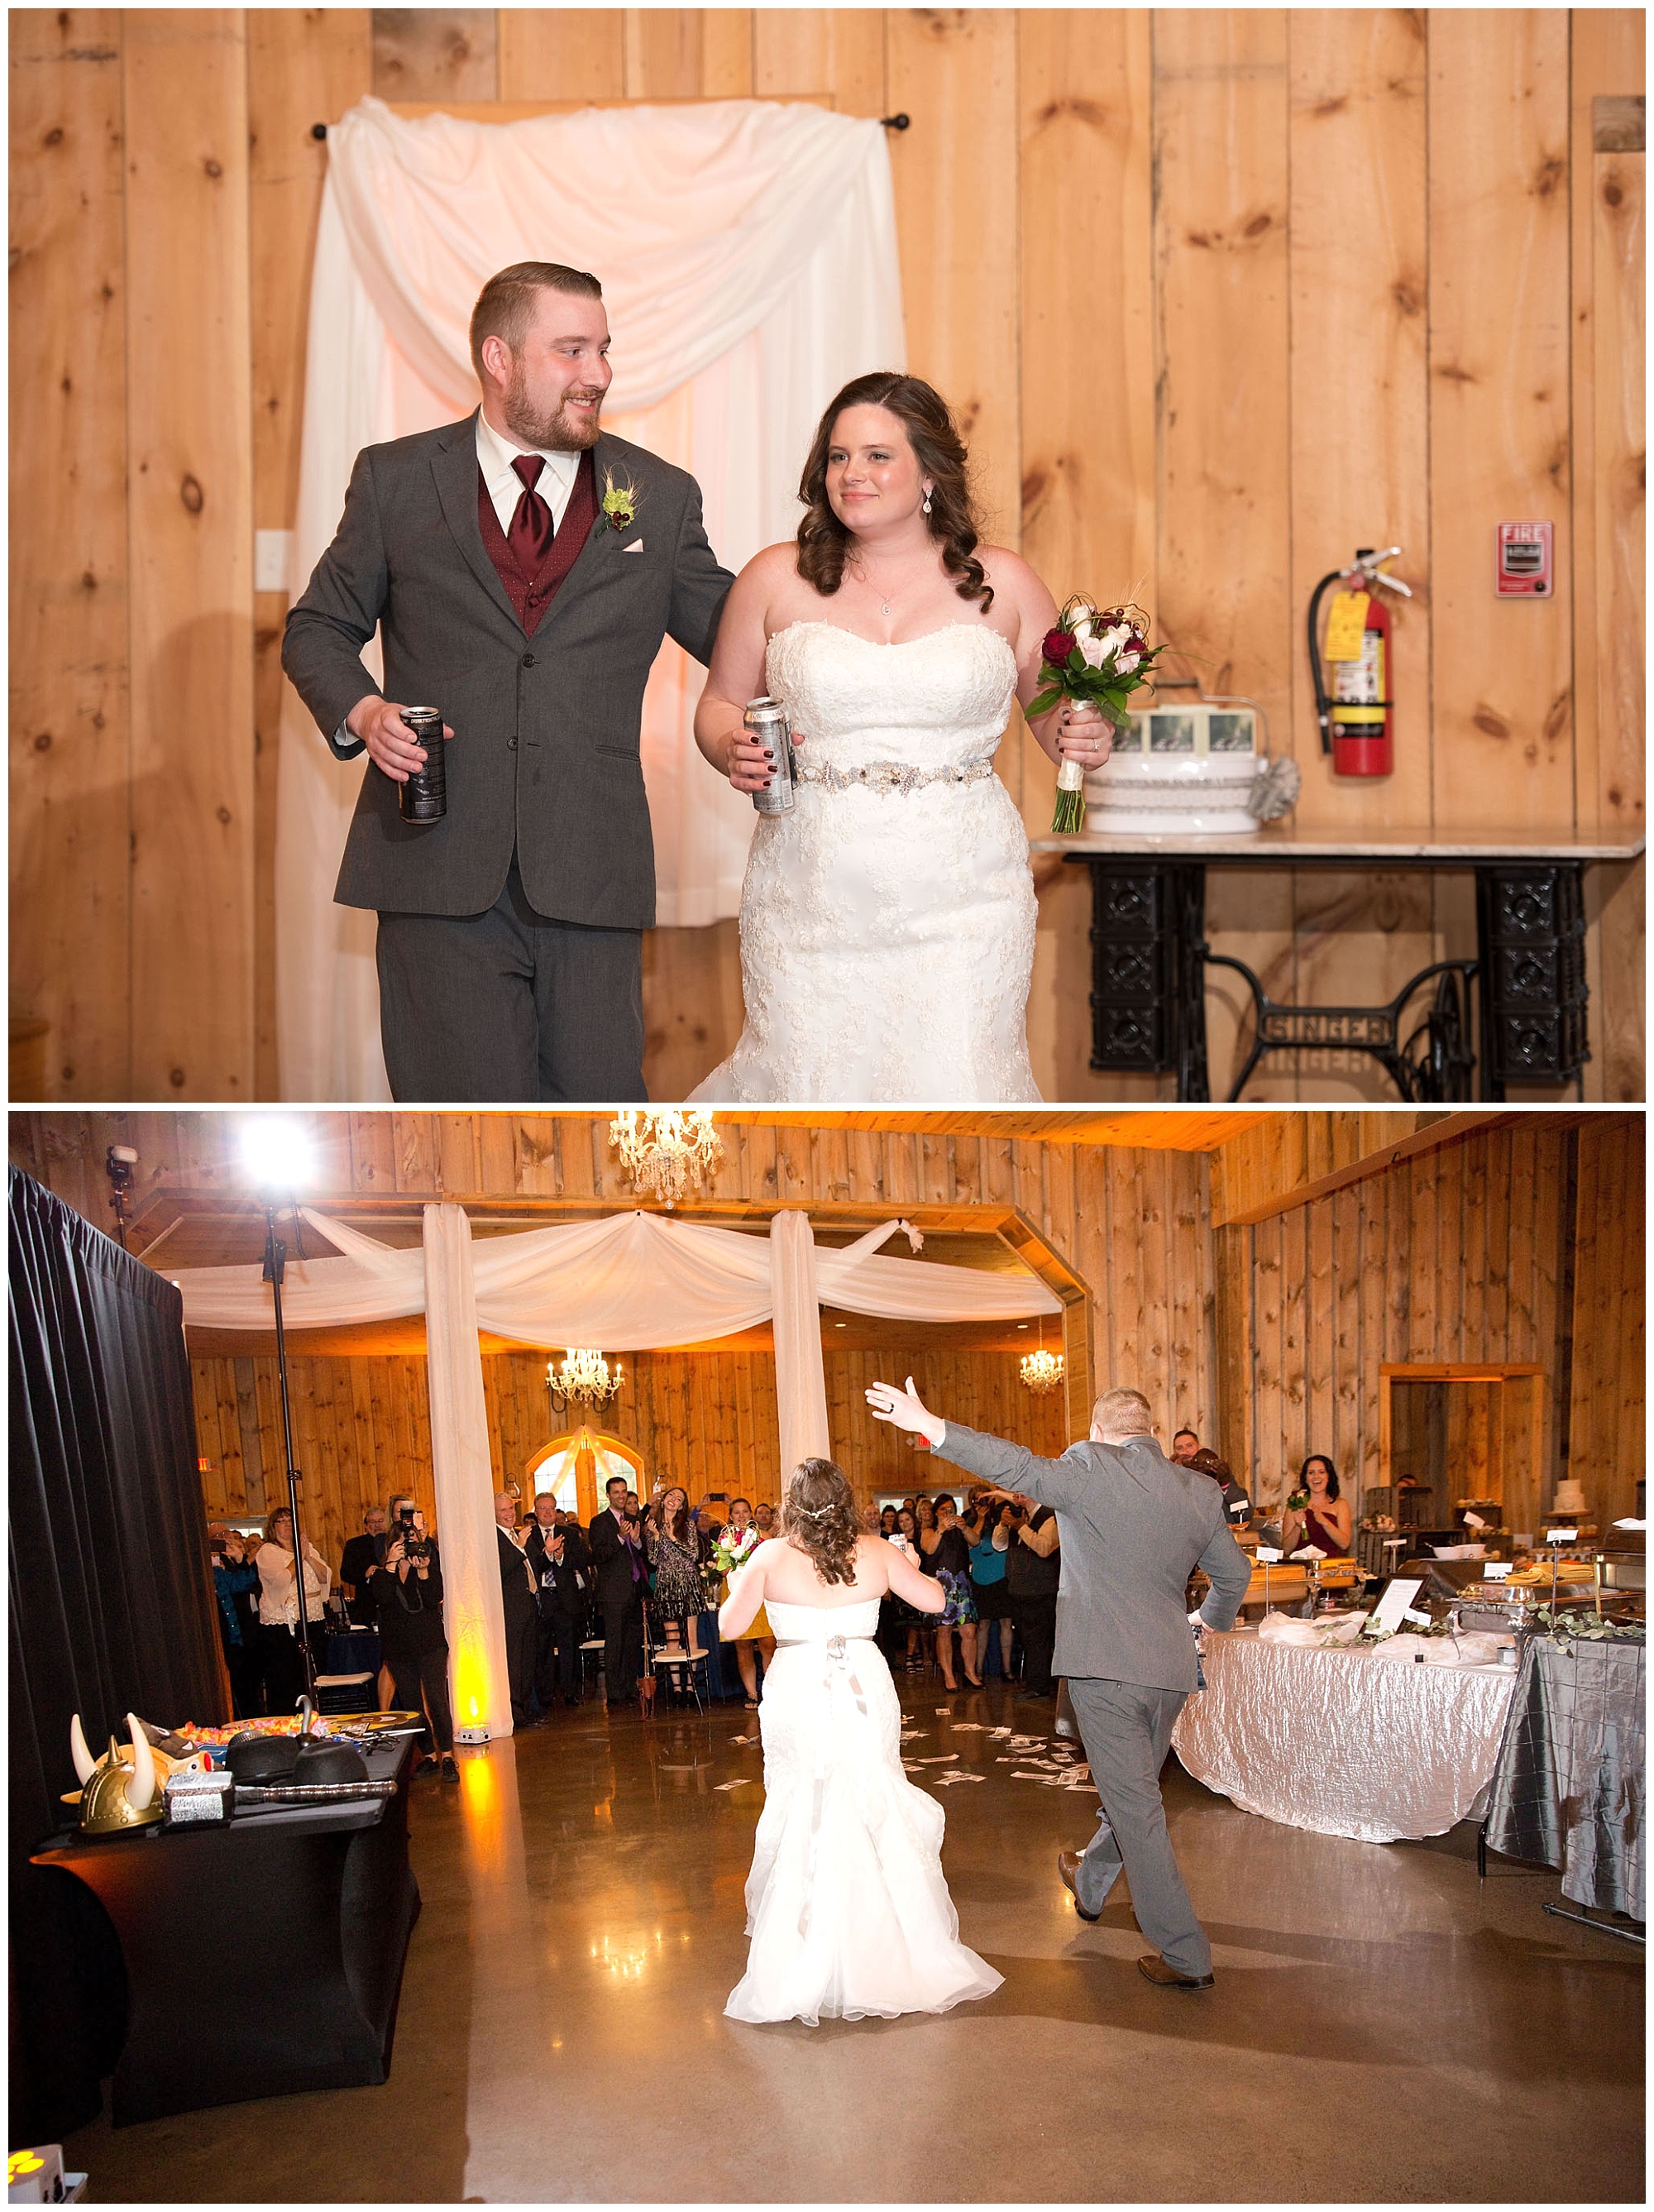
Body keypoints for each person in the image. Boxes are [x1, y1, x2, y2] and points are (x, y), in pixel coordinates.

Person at [281, 261, 735, 1103]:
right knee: (461, 1128)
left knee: (603, 1126)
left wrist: (874, 615)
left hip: (590, 870)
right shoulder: (393, 480)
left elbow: (735, 634)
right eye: (570, 350)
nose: (596, 372)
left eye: (602, 349)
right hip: (433, 862)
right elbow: (317, 627)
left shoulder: (659, 498)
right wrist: (365, 707)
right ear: (500, 358)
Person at [687, 371, 1112, 1103]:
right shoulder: (772, 578)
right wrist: (732, 746)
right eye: (839, 456)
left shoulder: (1005, 584)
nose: (853, 475)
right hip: (810, 894)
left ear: (929, 473)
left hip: (963, 896)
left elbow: (1052, 717)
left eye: (878, 456)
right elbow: (720, 704)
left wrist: (1083, 732)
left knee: (958, 1079)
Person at [867, 1377, 1252, 1992]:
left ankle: (1186, 1953)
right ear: (1150, 1432)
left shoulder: (1089, 1464)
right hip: (1172, 1671)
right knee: (1133, 1797)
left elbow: (1014, 1464)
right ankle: (1092, 1880)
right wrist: (1206, 1626)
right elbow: (1234, 1575)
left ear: (1098, 1431)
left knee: (1139, 1810)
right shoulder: (1199, 1489)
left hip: (1105, 1671)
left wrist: (933, 1425)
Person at [719, 1455, 1003, 2025]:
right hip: (862, 1686)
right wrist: (914, 1564)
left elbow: (729, 1627)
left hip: (798, 1685)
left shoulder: (770, 1556)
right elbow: (936, 1602)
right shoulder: (875, 1550)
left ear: (793, 1504)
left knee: (807, 1802)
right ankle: (889, 1945)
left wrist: (736, 1582)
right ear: (845, 1500)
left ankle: (807, 1946)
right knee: (871, 1795)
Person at [370, 1496, 458, 1779]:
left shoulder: (427, 1565)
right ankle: (429, 1756)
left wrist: (423, 1569)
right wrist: (391, 1564)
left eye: (411, 1541)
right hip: (398, 1649)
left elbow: (435, 1598)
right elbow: (381, 1598)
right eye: (402, 1542)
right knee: (412, 1705)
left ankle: (447, 1756)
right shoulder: (385, 1572)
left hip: (430, 1644)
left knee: (436, 1701)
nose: (408, 1546)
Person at [254, 1507, 331, 1716]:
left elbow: (325, 1576)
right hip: (283, 1623)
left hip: (312, 1617)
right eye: (282, 1521)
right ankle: (288, 1718)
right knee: (287, 1675)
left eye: (291, 1520)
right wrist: (298, 1558)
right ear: (273, 1527)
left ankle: (315, 1715)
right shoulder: (268, 1551)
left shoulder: (307, 1548)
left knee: (314, 1671)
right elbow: (280, 1580)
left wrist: (307, 1556)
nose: (288, 1524)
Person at [587, 1475, 648, 1709]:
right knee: (615, 1643)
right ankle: (614, 1693)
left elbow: (642, 1556)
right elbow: (599, 1556)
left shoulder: (634, 1519)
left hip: (634, 1590)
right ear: (608, 1495)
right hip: (613, 1592)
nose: (621, 1496)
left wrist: (637, 1541)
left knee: (632, 1643)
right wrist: (620, 1538)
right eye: (616, 1492)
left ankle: (629, 1688)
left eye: (624, 1491)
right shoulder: (600, 1522)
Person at [527, 1491, 589, 1709]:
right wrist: (548, 1554)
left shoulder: (569, 1534)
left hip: (565, 1600)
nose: (547, 1512)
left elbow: (582, 1559)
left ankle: (570, 1693)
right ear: (536, 1512)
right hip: (541, 1600)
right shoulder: (528, 1536)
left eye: (551, 1508)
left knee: (568, 1648)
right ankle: (545, 1695)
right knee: (541, 1649)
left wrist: (561, 1557)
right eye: (542, 1508)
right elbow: (533, 1567)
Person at [716, 1498, 775, 1708]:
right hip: (735, 1592)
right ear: (731, 1516)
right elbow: (722, 1571)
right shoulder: (725, 1539)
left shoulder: (764, 1537)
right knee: (743, 1645)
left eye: (745, 1512)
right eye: (736, 1513)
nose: (741, 1516)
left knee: (768, 1642)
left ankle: (769, 1691)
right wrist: (736, 1564)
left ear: (750, 1514)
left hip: (759, 1592)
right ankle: (751, 1694)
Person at [1001, 1491, 1061, 1699]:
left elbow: (1044, 1548)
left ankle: (1039, 1685)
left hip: (1041, 1590)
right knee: (1027, 1640)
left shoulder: (1049, 1516)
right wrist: (1004, 1524)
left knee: (1038, 1641)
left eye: (1022, 1494)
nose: (1018, 1499)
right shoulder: (1021, 1517)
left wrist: (1020, 1527)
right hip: (1020, 1590)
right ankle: (1033, 1682)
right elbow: (998, 1545)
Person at [495, 1491, 541, 1726]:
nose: (509, 1514)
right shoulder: (494, 1538)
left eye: (511, 1509)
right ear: (494, 1513)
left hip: (529, 1606)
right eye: (503, 1510)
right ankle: (514, 1713)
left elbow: (536, 1566)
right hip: (510, 1610)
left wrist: (552, 1553)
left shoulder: (519, 1534)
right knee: (513, 1662)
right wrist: (519, 1548)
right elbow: (499, 1570)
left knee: (527, 1660)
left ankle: (525, 1707)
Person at [208, 1526, 263, 1720]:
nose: (226, 1540)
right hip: (218, 1637)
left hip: (237, 1634)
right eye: (220, 1537)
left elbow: (243, 1583)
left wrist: (240, 1558)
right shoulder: (201, 1569)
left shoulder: (219, 1570)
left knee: (246, 1685)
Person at [927, 1496, 982, 1690]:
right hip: (942, 1586)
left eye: (951, 1509)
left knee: (969, 1630)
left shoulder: (961, 1530)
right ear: (936, 1512)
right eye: (943, 1510)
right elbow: (929, 1548)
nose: (948, 1513)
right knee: (944, 1631)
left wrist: (965, 1528)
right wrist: (941, 1529)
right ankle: (949, 1676)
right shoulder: (929, 1531)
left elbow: (976, 1541)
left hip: (961, 1583)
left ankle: (970, 1672)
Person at [647, 1486, 709, 1640]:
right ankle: (673, 1666)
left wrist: (673, 1537)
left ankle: (692, 1666)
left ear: (681, 1506)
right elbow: (653, 1560)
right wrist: (656, 1537)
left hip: (687, 1581)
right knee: (672, 1636)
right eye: (671, 1495)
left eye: (678, 1499)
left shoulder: (688, 1525)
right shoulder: (653, 1526)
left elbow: (694, 1554)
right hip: (665, 1582)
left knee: (691, 1635)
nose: (673, 1499)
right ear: (663, 1500)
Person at [967, 1501, 1016, 1683]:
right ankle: (978, 1669)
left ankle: (1007, 1669)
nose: (982, 1505)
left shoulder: (1003, 1521)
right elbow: (972, 1540)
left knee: (1006, 1622)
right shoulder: (971, 1521)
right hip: (980, 1577)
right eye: (977, 1501)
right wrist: (980, 1518)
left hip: (1002, 1577)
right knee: (983, 1625)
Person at [1281, 1455, 1351, 1557]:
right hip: (1301, 1566)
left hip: (1329, 1566)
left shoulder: (1341, 1504)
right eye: (1311, 1473)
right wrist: (1298, 1526)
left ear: (1329, 1476)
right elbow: (1286, 1549)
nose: (1316, 1476)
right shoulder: (1295, 1503)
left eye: (1321, 1472)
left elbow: (1344, 1544)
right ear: (1305, 1478)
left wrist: (1324, 1522)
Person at [338, 1505, 389, 1629]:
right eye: (372, 1521)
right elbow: (345, 1573)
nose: (377, 1525)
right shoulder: (354, 1545)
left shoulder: (393, 1542)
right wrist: (364, 1574)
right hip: (366, 1603)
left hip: (391, 1603)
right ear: (366, 1526)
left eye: (380, 1521)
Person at [1189, 1448, 1252, 1526]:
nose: (1200, 1465)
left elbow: (1246, 1517)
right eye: (1196, 1462)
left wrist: (1225, 1485)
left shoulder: (1230, 1489)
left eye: (1207, 1462)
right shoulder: (1183, 1488)